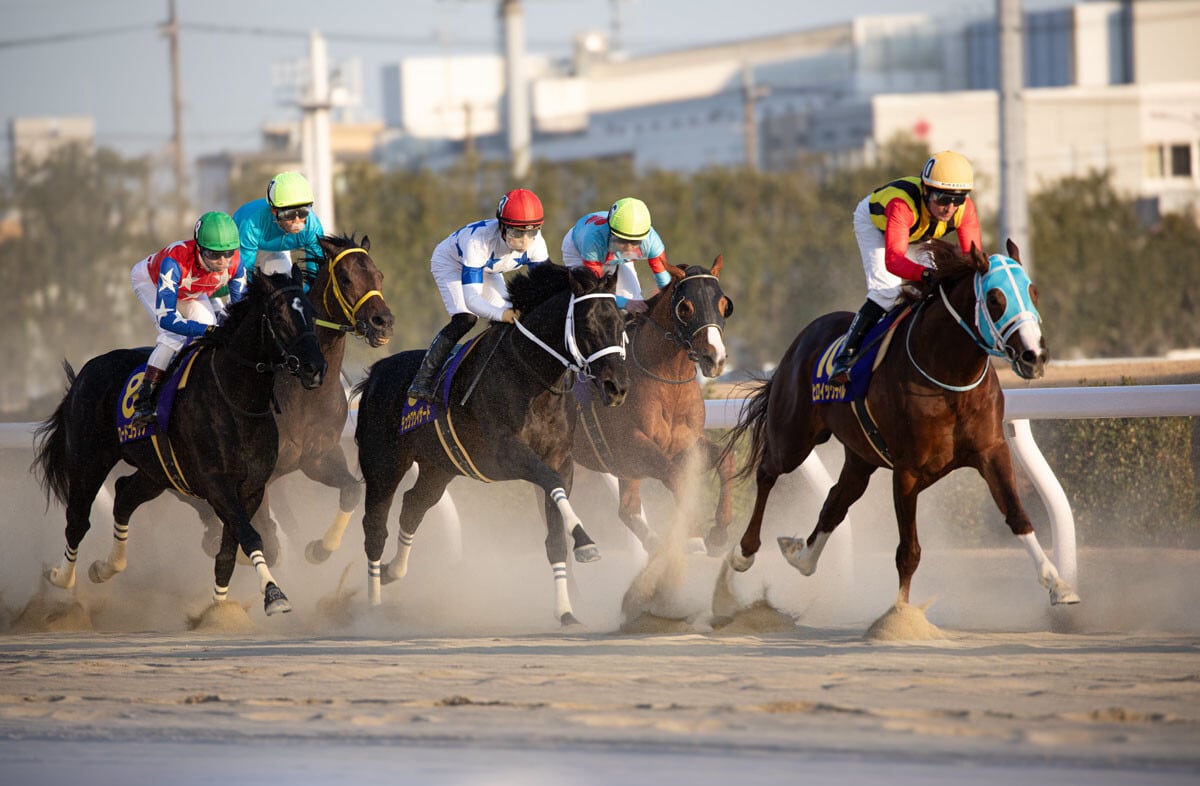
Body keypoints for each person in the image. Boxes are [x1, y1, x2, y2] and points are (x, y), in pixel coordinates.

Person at [828, 150, 984, 385]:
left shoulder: (965, 210)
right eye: (943, 199)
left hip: (917, 232)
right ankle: (845, 357)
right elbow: (894, 260)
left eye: (958, 199)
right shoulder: (902, 206)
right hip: (876, 225)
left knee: (933, 292)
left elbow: (973, 259)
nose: (950, 208)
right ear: (926, 191)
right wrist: (924, 273)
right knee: (887, 292)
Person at [406, 188, 551, 404]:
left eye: (531, 233)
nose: (523, 242)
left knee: (512, 323)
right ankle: (422, 380)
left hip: (487, 269)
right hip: (451, 264)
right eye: (516, 233)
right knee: (466, 319)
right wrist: (503, 314)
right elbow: (472, 300)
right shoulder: (479, 242)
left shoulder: (537, 244)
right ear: (501, 226)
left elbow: (545, 286)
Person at [129, 211, 247, 426]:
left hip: (190, 290)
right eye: (214, 255)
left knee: (211, 329)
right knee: (173, 336)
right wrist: (207, 330)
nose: (222, 262)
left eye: (228, 253)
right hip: (151, 282)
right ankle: (144, 399)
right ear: (199, 248)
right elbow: (167, 319)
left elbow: (241, 310)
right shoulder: (173, 262)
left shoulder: (236, 264)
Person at [561, 197, 671, 314]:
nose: (628, 248)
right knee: (590, 301)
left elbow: (665, 285)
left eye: (635, 242)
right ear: (612, 232)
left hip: (608, 250)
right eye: (622, 240)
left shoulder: (652, 242)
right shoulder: (592, 241)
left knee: (634, 299)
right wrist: (625, 303)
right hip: (578, 251)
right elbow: (596, 291)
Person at [232, 171, 325, 290]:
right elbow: (245, 272)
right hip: (239, 245)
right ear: (274, 211)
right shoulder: (252, 225)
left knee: (283, 280)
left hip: (274, 248)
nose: (297, 220)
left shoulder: (313, 226)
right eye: (289, 214)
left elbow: (315, 274)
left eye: (303, 212)